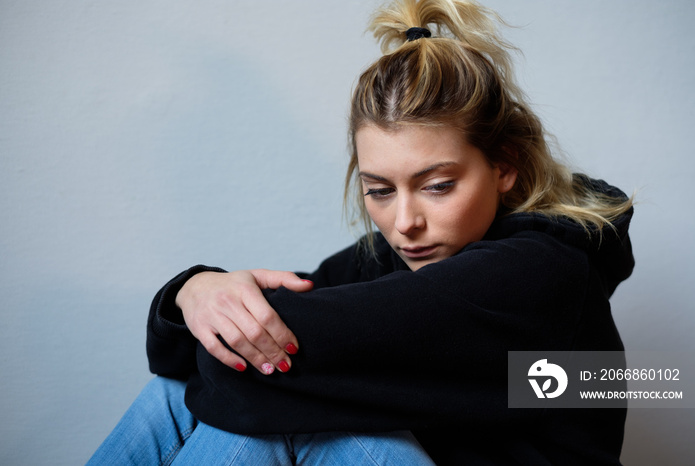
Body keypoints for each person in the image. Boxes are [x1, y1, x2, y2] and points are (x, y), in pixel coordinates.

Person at [89, 0, 635, 464]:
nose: (405, 222)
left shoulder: (539, 272)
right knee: (175, 391)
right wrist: (196, 291)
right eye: (379, 190)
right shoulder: (394, 254)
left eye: (438, 185)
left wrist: (223, 320)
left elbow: (263, 366)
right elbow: (183, 361)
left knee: (284, 416)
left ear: (505, 165)